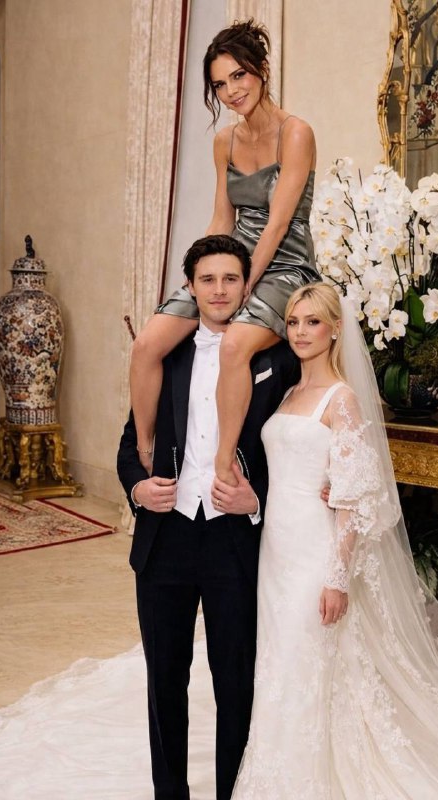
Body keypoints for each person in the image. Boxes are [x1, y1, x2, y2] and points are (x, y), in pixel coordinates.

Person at [231, 282, 438, 799]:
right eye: (293, 322)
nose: (300, 332)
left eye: (313, 322)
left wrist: (338, 578)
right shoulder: (288, 393)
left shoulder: (342, 399)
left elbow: (358, 498)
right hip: (276, 548)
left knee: (305, 653)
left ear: (336, 329)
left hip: (315, 551)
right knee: (279, 656)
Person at [117, 234, 299, 800]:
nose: (219, 290)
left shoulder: (276, 361)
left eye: (230, 279)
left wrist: (256, 499)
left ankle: (232, 793)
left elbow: (295, 455)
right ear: (190, 288)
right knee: (164, 680)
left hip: (233, 543)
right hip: (164, 541)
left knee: (235, 681)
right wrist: (138, 487)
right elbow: (129, 443)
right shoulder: (163, 356)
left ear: (247, 287)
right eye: (207, 280)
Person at [130, 19, 318, 487]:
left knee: (233, 344)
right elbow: (221, 219)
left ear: (261, 69)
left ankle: (223, 461)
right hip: (234, 264)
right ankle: (147, 450)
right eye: (220, 84)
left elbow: (277, 223)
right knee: (147, 343)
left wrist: (244, 281)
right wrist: (199, 271)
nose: (231, 91)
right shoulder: (224, 142)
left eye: (239, 75)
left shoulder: (296, 133)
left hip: (285, 265)